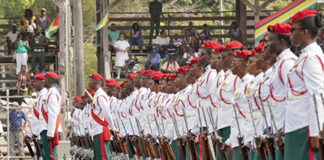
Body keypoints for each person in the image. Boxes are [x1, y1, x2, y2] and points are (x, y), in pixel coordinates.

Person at [282, 9, 324, 160]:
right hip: (296, 124)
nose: (290, 34)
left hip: (305, 126)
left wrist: (316, 132)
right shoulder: (304, 56)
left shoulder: (311, 57)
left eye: (294, 30)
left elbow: (316, 95)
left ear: (305, 32)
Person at [88, 73, 119, 159]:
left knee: (102, 157)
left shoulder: (101, 96)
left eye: (90, 80)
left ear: (96, 82)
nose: (88, 82)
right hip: (97, 130)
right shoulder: (97, 95)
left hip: (101, 130)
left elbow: (107, 113)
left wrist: (113, 128)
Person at [40, 72, 62, 160]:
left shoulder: (53, 94)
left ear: (49, 81)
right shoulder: (49, 94)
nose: (43, 81)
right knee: (48, 156)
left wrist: (50, 132)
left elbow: (53, 114)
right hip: (46, 128)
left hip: (49, 129)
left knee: (51, 156)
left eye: (44, 79)